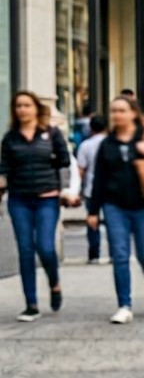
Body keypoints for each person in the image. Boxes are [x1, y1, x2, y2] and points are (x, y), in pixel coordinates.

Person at [87, 95, 144, 324]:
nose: (117, 115)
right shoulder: (107, 143)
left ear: (133, 114)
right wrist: (93, 211)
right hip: (114, 205)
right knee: (119, 255)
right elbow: (99, 178)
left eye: (122, 110)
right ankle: (124, 305)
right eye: (114, 111)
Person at [0, 92, 72, 321]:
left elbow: (64, 161)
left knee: (45, 247)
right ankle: (30, 303)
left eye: (26, 105)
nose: (22, 109)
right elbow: (3, 165)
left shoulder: (51, 134)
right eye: (18, 105)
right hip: (19, 198)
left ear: (36, 108)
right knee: (25, 250)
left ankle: (54, 282)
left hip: (47, 198)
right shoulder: (10, 138)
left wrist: (65, 189)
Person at [74, 114, 109, 264]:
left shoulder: (85, 145)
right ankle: (115, 253)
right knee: (113, 222)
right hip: (111, 189)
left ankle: (94, 254)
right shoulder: (110, 143)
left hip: (91, 188)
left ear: (91, 128)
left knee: (92, 221)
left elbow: (81, 170)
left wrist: (78, 190)